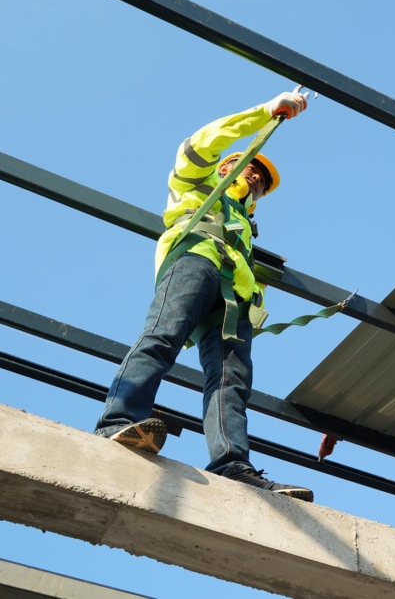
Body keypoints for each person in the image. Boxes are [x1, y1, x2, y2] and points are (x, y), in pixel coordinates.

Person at [94, 90, 313, 501]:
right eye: (250, 169)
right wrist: (265, 113)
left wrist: (254, 299)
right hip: (195, 260)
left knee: (232, 381)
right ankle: (118, 420)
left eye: (262, 182)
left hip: (232, 301)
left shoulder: (246, 230)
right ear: (228, 165)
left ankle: (233, 464)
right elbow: (197, 145)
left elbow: (249, 276)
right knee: (162, 337)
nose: (255, 179)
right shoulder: (198, 186)